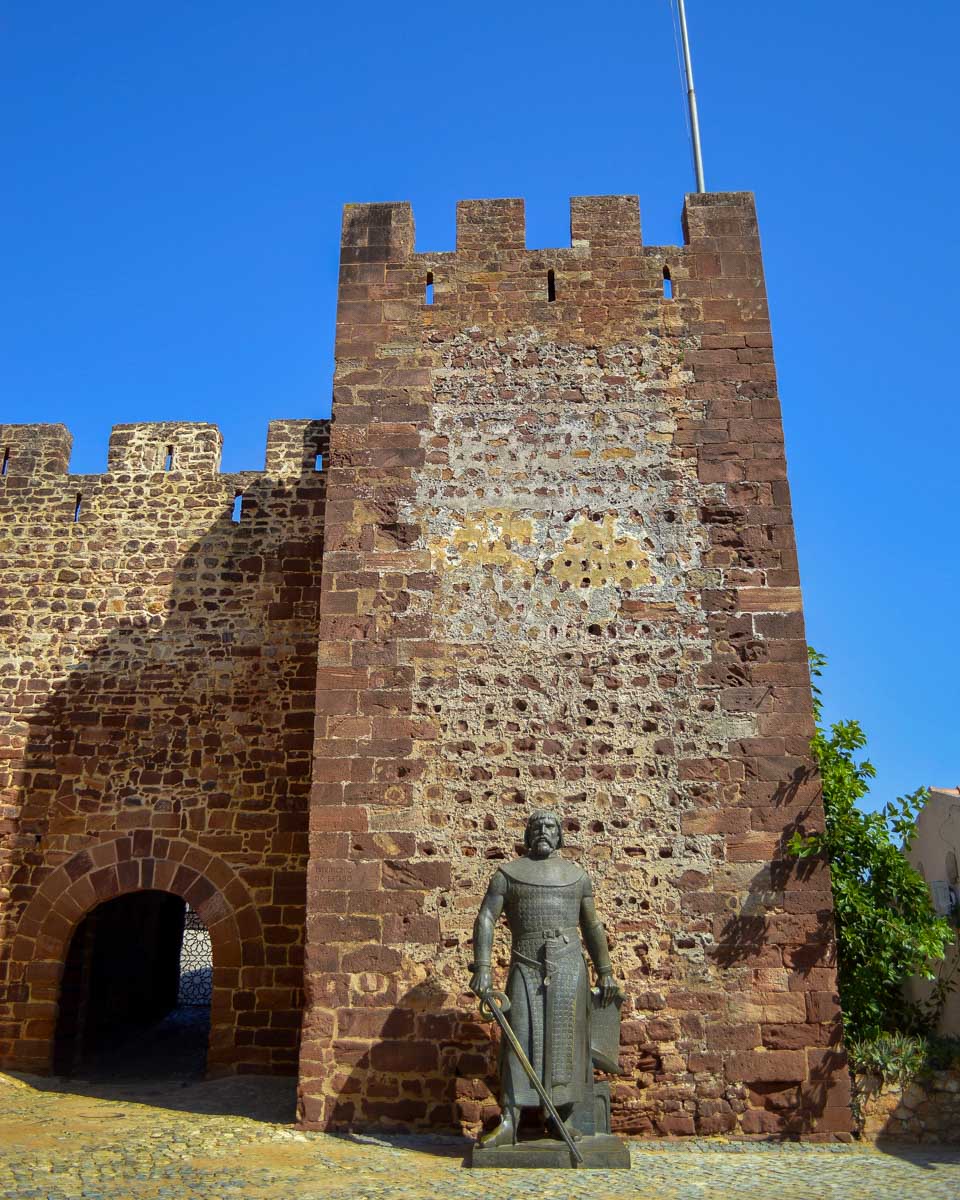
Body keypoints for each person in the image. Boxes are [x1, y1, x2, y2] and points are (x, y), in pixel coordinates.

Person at [468, 809, 620, 1147]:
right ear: (527, 835)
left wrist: (605, 970)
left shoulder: (577, 876)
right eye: (536, 826)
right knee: (519, 1036)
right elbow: (487, 918)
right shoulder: (507, 874)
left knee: (567, 1041)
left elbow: (591, 924)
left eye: (550, 825)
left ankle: (560, 1116)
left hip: (568, 965)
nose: (542, 830)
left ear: (560, 835)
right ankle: (511, 1119)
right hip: (526, 963)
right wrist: (482, 967)